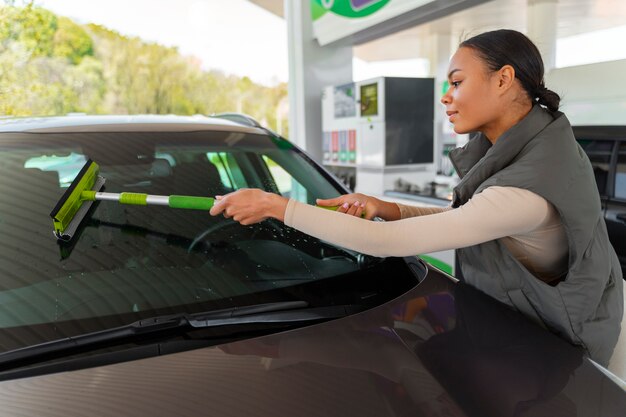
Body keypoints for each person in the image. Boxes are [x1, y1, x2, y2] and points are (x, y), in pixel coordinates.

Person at [210, 29, 623, 366]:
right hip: (519, 332)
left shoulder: (529, 184)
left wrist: (275, 206)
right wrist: (388, 208)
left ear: (503, 79)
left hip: (556, 353)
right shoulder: (537, 146)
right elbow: (477, 216)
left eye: (457, 82)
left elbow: (384, 243)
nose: (445, 95)